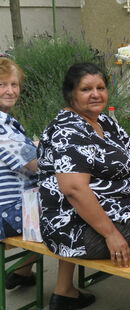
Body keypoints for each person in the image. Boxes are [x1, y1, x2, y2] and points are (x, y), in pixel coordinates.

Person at [38, 63, 130, 310]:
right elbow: (74, 190)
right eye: (86, 89)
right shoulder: (69, 130)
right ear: (70, 94)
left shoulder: (103, 121)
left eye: (100, 87)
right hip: (75, 228)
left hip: (106, 215)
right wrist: (111, 235)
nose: (96, 94)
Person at [0, 57, 39, 290]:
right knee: (75, 203)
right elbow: (35, 164)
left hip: (9, 207)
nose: (10, 90)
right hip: (6, 214)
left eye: (14, 85)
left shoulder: (7, 123)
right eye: (2, 84)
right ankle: (65, 291)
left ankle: (23, 272)